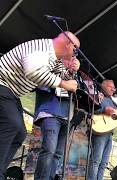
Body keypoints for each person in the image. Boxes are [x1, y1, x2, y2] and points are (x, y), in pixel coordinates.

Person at [0, 31, 79, 179]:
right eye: (76, 50)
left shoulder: (54, 58)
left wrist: (71, 71)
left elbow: (60, 75)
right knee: (12, 124)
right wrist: (64, 84)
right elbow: (33, 71)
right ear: (69, 45)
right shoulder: (43, 50)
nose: (76, 55)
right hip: (2, 84)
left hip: (12, 92)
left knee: (20, 133)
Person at [33, 56, 80, 180]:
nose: (72, 61)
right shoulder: (51, 65)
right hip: (50, 112)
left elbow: (80, 95)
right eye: (69, 59)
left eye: (73, 60)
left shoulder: (75, 75)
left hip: (67, 117)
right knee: (49, 149)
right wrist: (67, 78)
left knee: (58, 154)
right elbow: (42, 84)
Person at [88, 79, 117, 180]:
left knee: (103, 163)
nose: (113, 90)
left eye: (114, 88)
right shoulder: (96, 94)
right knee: (95, 160)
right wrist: (104, 109)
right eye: (112, 87)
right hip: (99, 132)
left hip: (109, 133)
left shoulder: (112, 101)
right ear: (104, 85)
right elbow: (90, 108)